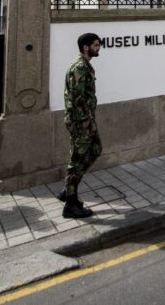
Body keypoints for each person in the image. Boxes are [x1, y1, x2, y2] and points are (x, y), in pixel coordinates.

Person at [58, 32, 103, 219]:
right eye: (95, 44)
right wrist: (86, 120)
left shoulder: (86, 66)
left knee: (95, 149)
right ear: (86, 47)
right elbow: (77, 95)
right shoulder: (80, 67)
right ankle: (70, 203)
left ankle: (68, 188)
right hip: (80, 121)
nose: (98, 47)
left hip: (86, 120)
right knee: (77, 159)